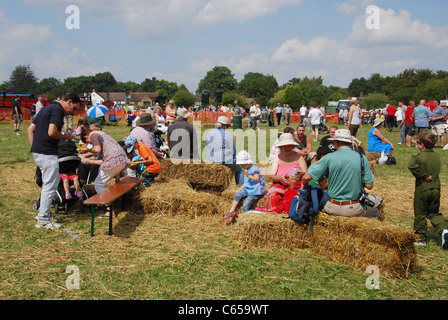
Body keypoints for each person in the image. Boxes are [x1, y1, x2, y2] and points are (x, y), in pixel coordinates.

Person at [30, 93, 80, 229]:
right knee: (50, 185)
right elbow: (52, 132)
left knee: (48, 183)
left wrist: (34, 147)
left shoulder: (46, 108)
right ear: (69, 102)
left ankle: (44, 213)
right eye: (74, 108)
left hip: (39, 150)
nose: (73, 112)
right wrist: (66, 137)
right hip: (47, 152)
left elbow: (30, 129)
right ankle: (43, 219)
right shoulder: (58, 111)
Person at [302, 129, 375, 218]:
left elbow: (307, 177)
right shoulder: (361, 158)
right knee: (375, 211)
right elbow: (369, 185)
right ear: (350, 143)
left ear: (336, 142)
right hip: (353, 208)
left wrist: (304, 184)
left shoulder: (328, 157)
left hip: (332, 207)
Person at [408, 132, 448, 249]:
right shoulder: (436, 156)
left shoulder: (418, 157)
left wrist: (423, 175)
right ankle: (444, 230)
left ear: (422, 145)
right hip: (436, 188)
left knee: (420, 213)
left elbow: (411, 166)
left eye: (418, 143)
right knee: (433, 213)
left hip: (423, 188)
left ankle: (421, 238)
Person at [79, 127, 130, 195]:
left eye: (88, 143)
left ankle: (108, 202)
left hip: (114, 159)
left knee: (98, 184)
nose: (91, 144)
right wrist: (117, 175)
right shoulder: (103, 134)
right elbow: (108, 158)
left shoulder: (92, 134)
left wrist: (86, 150)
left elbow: (97, 150)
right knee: (101, 183)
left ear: (86, 137)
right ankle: (109, 201)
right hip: (122, 159)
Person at [266, 133, 307, 213]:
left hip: (296, 185)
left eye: (289, 146)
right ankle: (274, 213)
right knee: (273, 197)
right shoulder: (277, 157)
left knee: (292, 198)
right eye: (285, 146)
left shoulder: (299, 157)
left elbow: (306, 173)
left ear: (292, 146)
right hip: (280, 184)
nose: (287, 148)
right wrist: (280, 178)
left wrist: (300, 175)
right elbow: (272, 176)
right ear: (281, 147)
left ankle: (289, 213)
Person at [223, 151, 267, 219]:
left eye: (242, 165)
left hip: (255, 191)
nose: (242, 166)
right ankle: (232, 211)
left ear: (248, 162)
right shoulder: (247, 169)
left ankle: (248, 217)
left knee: (245, 206)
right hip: (248, 189)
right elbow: (246, 183)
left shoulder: (254, 169)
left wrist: (248, 175)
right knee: (237, 195)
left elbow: (257, 179)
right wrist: (238, 190)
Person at [206, 116, 243, 187]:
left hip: (211, 159)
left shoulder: (209, 133)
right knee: (239, 170)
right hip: (224, 160)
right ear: (225, 125)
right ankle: (240, 187)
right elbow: (233, 149)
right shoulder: (227, 134)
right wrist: (234, 156)